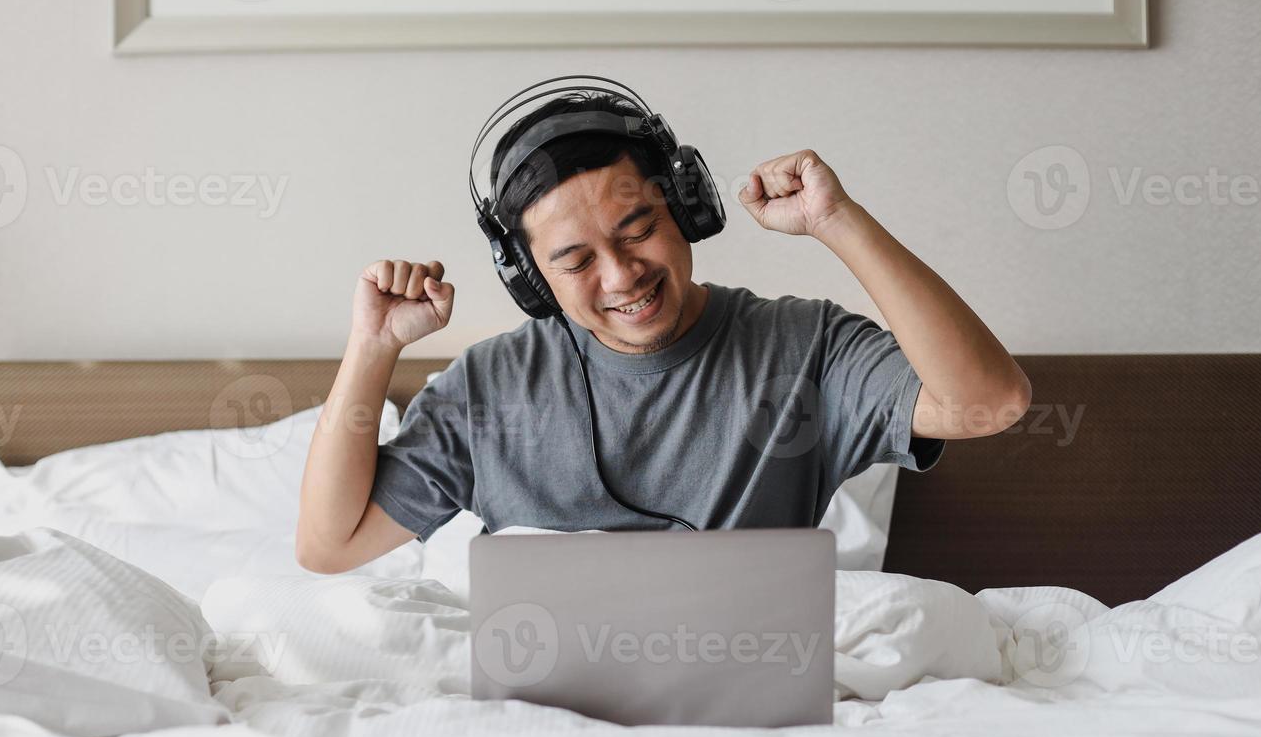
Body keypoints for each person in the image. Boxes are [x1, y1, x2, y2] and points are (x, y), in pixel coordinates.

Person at [297, 86, 1031, 574]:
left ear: (686, 207)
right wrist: (373, 346)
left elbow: (989, 402)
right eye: (576, 260)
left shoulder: (806, 348)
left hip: (751, 715)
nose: (621, 277)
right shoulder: (489, 387)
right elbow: (330, 547)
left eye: (639, 228)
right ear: (530, 279)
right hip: (545, 726)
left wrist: (837, 223)